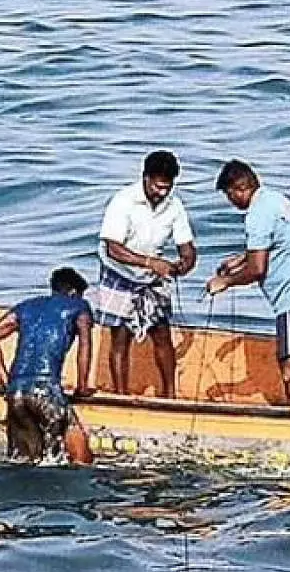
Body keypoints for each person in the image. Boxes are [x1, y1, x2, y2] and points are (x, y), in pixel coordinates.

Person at [206, 160, 290, 408]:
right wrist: (240, 260)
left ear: (240, 189)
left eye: (229, 195)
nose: (231, 202)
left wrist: (226, 281)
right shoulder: (275, 199)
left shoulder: (257, 214)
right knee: (289, 359)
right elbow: (275, 243)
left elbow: (257, 269)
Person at [94, 150, 197, 398]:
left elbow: (187, 247)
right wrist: (150, 263)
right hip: (119, 272)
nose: (162, 193)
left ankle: (170, 395)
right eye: (157, 187)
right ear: (145, 178)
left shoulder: (174, 206)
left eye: (167, 188)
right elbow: (113, 248)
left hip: (152, 277)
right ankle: (120, 396)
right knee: (121, 336)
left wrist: (185, 263)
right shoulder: (123, 201)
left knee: (161, 333)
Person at [0, 267, 96, 463]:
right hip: (46, 389)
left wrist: (6, 381)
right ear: (73, 292)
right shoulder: (79, 306)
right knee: (80, 459)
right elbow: (85, 346)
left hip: (16, 391)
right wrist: (82, 387)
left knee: (25, 460)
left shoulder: (26, 306)